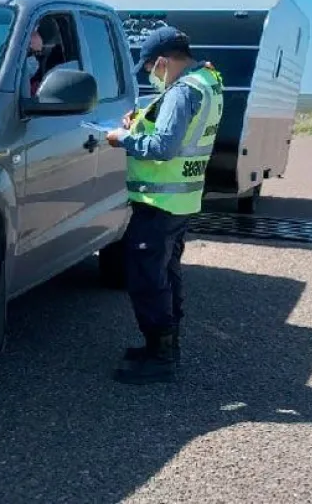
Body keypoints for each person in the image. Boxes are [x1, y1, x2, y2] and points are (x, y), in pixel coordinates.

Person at [104, 26, 224, 384]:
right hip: (181, 198)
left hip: (160, 200)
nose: (150, 76)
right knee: (166, 275)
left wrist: (122, 138)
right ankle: (165, 347)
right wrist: (139, 122)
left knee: (146, 279)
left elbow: (164, 147)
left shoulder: (183, 92)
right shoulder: (208, 79)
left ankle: (160, 357)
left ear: (162, 61)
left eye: (150, 69)